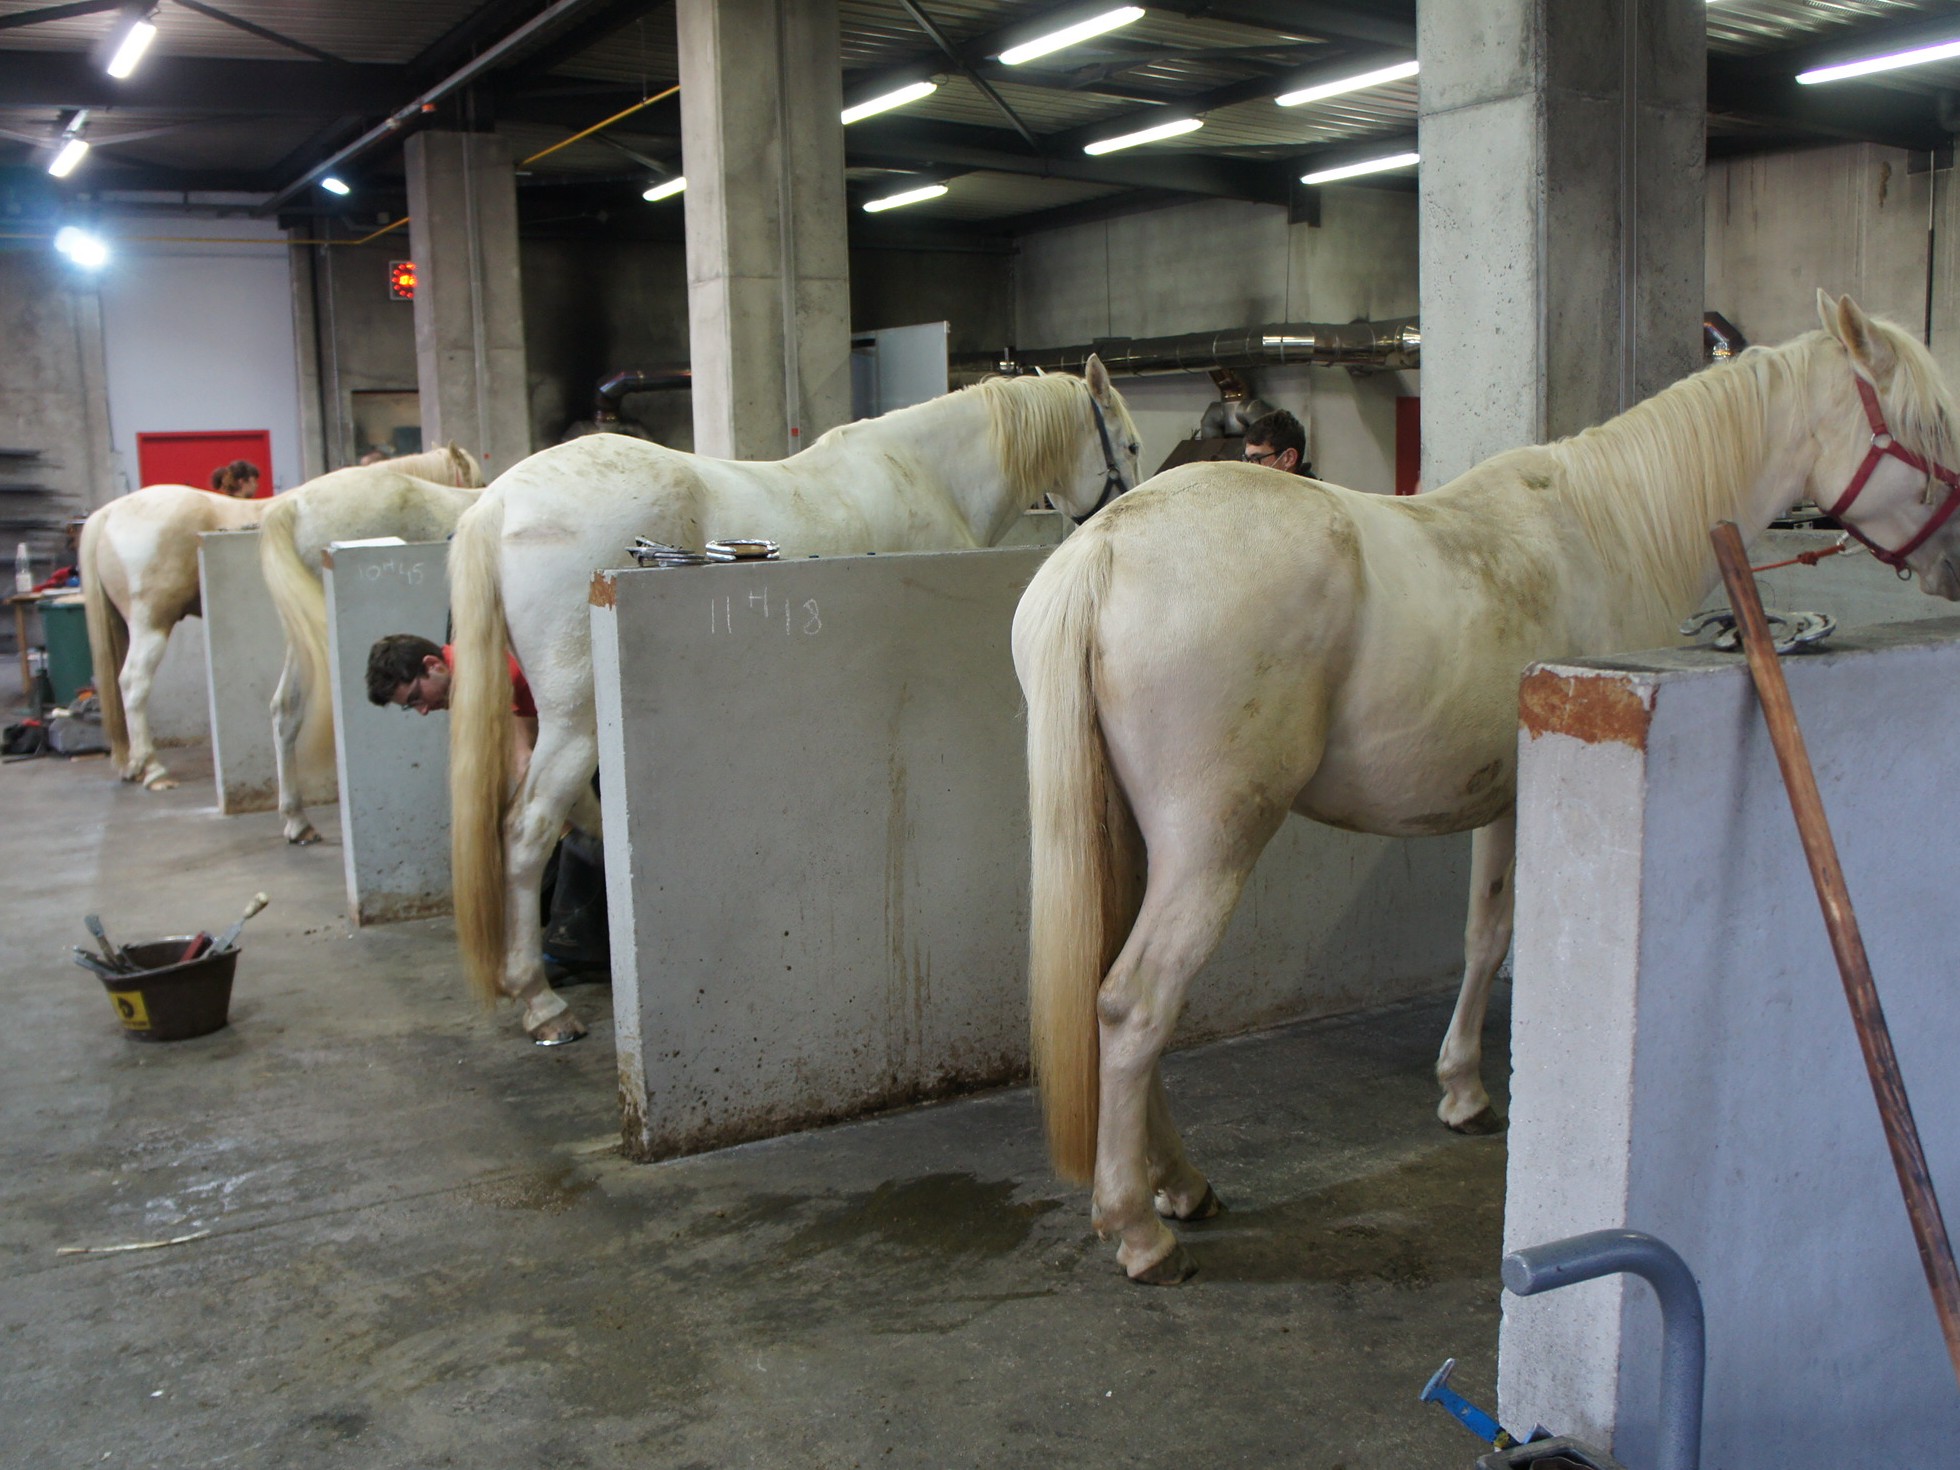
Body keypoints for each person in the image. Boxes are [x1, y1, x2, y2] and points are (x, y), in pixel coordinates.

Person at [364, 633, 608, 979]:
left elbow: (524, 755)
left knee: (570, 837)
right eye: (410, 706)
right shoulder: (469, 667)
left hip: (599, 734)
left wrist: (556, 822)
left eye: (417, 697)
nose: (421, 710)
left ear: (433, 666)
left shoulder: (483, 670)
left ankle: (570, 949)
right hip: (579, 738)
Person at [1241, 409, 1311, 477]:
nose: (1249, 468)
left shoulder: (1311, 489)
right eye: (1247, 460)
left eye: (1256, 459)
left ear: (1289, 458)